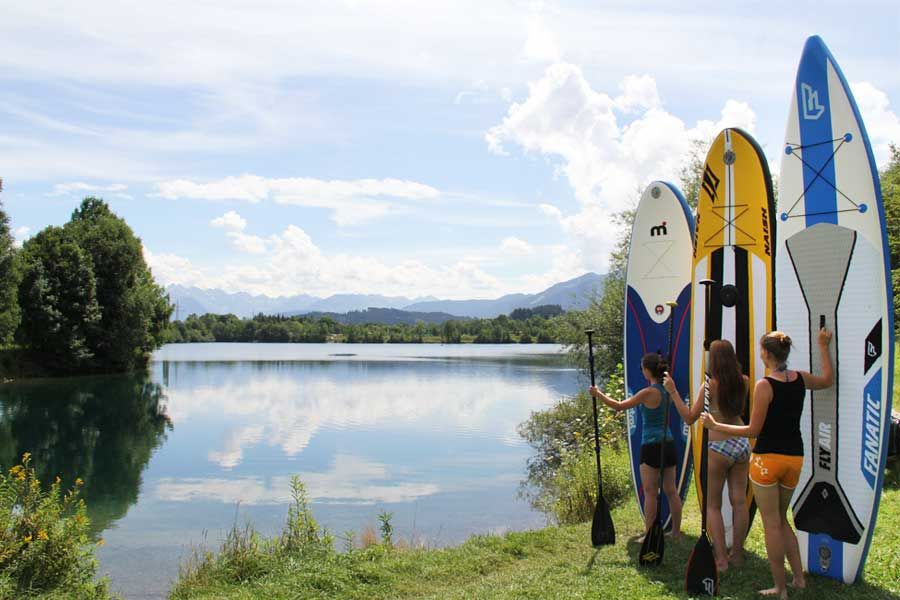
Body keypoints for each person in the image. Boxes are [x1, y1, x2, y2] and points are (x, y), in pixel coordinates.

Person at [702, 329, 833, 599]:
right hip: (794, 458)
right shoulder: (800, 379)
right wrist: (823, 345)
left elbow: (753, 430)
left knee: (772, 523)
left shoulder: (765, 385)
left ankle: (780, 588)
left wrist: (717, 425)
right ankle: (798, 579)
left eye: (761, 350)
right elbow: (827, 380)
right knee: (782, 520)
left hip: (766, 461)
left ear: (766, 354)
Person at [663, 339, 750, 572]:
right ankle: (737, 555)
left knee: (713, 506)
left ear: (714, 359)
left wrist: (672, 392)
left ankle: (721, 559)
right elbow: (739, 410)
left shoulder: (709, 386)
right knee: (739, 502)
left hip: (718, 446)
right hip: (741, 443)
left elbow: (689, 417)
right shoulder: (744, 381)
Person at [590, 352, 682, 539]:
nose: (641, 371)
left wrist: (598, 394)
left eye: (642, 368)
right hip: (669, 443)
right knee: (671, 491)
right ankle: (676, 532)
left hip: (651, 445)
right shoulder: (669, 390)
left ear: (648, 370)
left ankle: (649, 535)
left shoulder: (647, 393)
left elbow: (618, 406)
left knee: (650, 492)